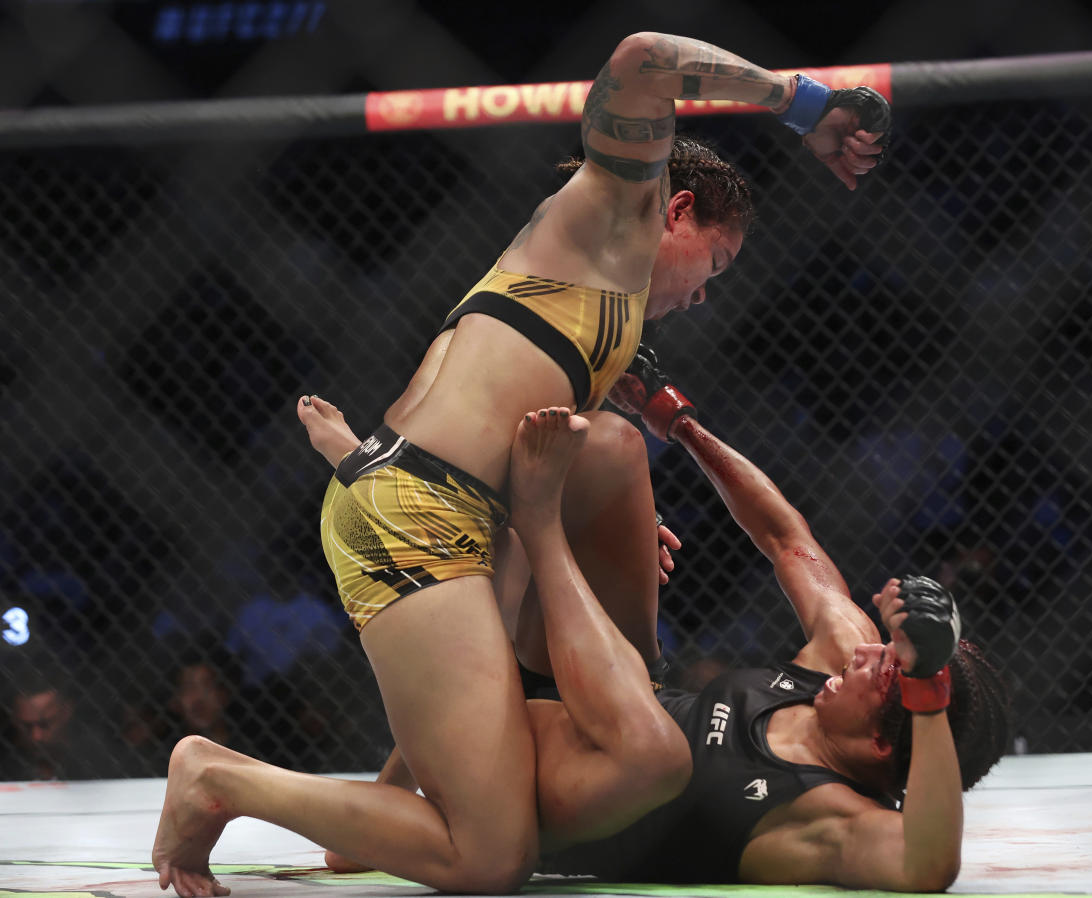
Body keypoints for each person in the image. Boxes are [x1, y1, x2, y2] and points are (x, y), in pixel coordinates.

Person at [152, 30, 890, 896]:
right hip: (419, 516)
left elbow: (543, 426)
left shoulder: (606, 316)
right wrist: (803, 103)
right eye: (714, 266)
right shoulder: (619, 210)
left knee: (610, 458)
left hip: (460, 515)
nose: (701, 297)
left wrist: (598, 505)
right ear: (679, 210)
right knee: (490, 859)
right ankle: (216, 775)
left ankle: (392, 802)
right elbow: (643, 57)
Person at [314, 346, 1011, 890]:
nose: (864, 652)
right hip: (606, 687)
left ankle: (392, 490)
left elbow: (927, 867)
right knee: (612, 449)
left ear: (888, 742)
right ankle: (423, 491)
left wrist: (928, 691)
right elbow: (785, 537)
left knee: (521, 536)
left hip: (542, 783)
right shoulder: (840, 668)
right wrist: (677, 424)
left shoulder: (827, 820)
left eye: (883, 672)